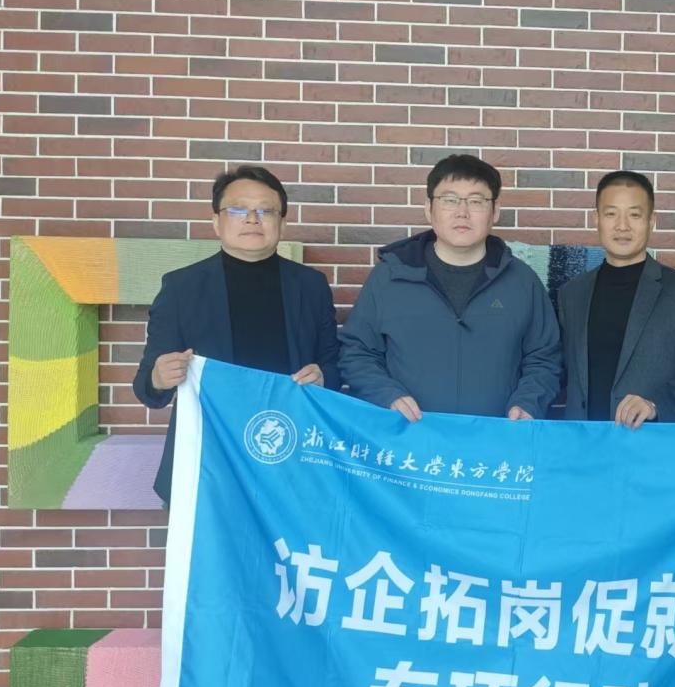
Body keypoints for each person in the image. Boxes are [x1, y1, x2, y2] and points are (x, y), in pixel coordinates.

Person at [133, 165, 341, 503]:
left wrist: (323, 377)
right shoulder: (181, 287)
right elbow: (146, 387)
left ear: (282, 223)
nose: (252, 219)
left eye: (265, 211)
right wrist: (159, 377)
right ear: (217, 221)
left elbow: (333, 365)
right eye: (238, 210)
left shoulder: (310, 286)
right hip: (208, 462)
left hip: (291, 459)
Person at [339, 154, 561, 422]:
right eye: (449, 200)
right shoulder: (389, 277)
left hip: (497, 435)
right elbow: (358, 352)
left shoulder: (522, 281)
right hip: (408, 436)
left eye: (476, 201)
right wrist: (387, 395)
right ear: (428, 209)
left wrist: (528, 403)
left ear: (495, 212)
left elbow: (544, 358)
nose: (462, 212)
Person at [557, 170, 675, 428]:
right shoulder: (572, 293)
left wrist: (656, 404)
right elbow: (558, 369)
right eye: (611, 214)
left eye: (634, 215)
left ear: (651, 220)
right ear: (596, 219)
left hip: (651, 444)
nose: (622, 226)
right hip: (583, 444)